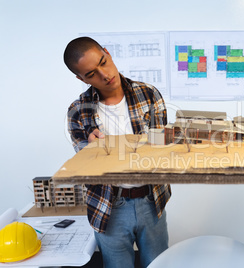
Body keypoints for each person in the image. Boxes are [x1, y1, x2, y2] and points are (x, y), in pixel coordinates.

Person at [64, 36, 171, 268]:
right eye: (91, 74)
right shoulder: (77, 111)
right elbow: (86, 166)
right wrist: (92, 152)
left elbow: (161, 148)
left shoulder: (149, 94)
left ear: (107, 52)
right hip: (108, 206)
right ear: (80, 78)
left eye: (103, 62)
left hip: (151, 200)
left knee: (159, 265)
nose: (105, 75)